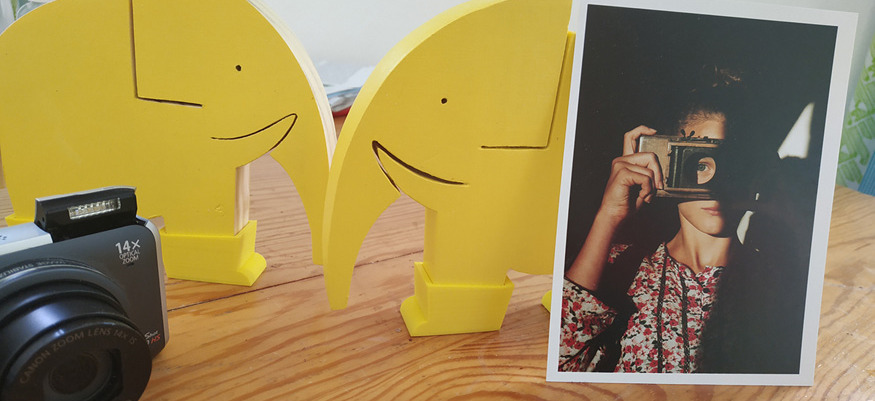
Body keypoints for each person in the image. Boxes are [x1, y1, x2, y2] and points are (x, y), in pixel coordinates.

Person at [558, 67, 807, 373]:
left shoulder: (778, 282)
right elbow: (558, 364)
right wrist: (608, 215)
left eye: (734, 167)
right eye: (700, 165)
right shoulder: (617, 268)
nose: (716, 187)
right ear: (664, 163)